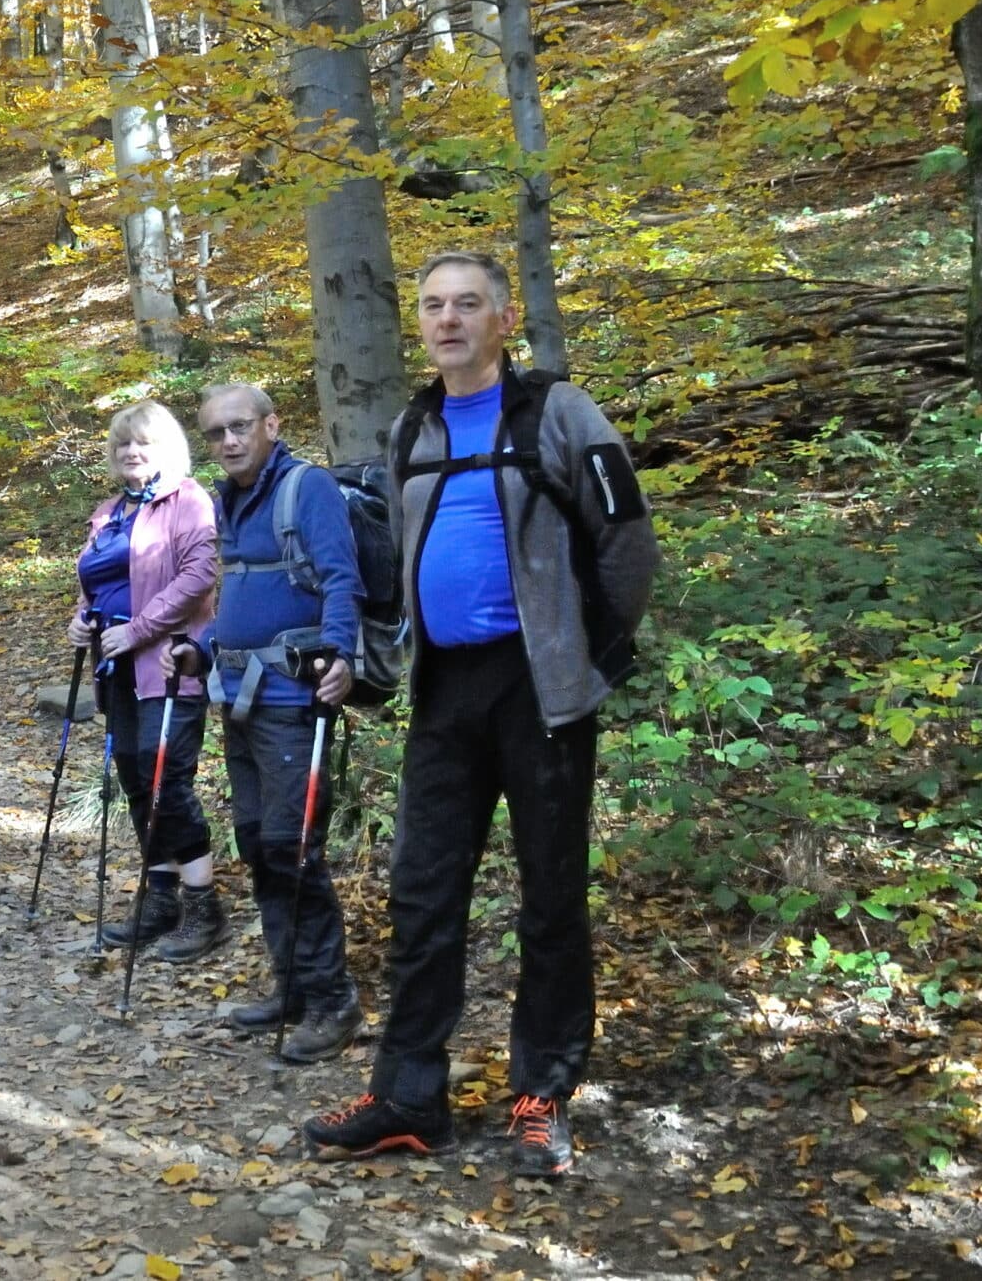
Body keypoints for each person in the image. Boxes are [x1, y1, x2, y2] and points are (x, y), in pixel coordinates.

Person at [306, 251, 658, 1176]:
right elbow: (397, 557)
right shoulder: (412, 428)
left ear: (504, 320)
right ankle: (409, 1098)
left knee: (550, 896)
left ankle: (543, 1093)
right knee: (422, 893)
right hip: (445, 691)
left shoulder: (560, 414)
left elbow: (627, 540)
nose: (448, 319)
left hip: (541, 690)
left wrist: (591, 654)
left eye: (468, 304)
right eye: (433, 305)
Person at [178, 384, 364, 1064]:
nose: (229, 441)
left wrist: (340, 653)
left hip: (292, 699)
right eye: (216, 433)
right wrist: (199, 648)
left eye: (240, 427)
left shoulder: (306, 488)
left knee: (292, 845)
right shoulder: (229, 498)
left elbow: (341, 579)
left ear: (271, 425)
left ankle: (332, 1001)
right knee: (258, 842)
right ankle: (292, 987)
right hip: (239, 696)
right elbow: (239, 593)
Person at [63, 400, 223, 962]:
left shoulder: (188, 501)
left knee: (165, 777)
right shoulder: (109, 512)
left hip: (169, 664)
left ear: (167, 449)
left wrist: (139, 630)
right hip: (118, 668)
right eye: (123, 444)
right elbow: (95, 581)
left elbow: (199, 576)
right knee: (134, 776)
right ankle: (160, 898)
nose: (131, 452)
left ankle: (203, 905)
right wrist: (82, 619)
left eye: (143, 442)